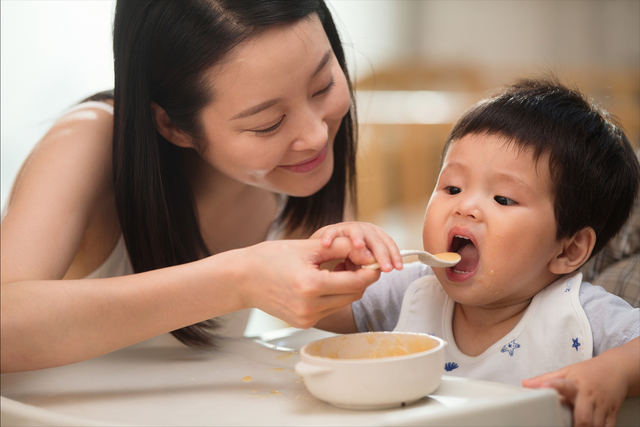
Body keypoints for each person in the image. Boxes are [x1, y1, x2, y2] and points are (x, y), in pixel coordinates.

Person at [0, 0, 405, 374]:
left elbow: (339, 320)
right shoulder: (88, 141)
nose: (316, 135)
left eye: (323, 86)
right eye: (268, 124)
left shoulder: (298, 166)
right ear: (174, 126)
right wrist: (238, 280)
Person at [314, 77, 640, 427]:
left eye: (503, 198)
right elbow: (320, 315)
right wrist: (330, 266)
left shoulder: (580, 316)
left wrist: (615, 370)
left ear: (569, 249)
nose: (465, 207)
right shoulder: (412, 291)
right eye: (452, 187)